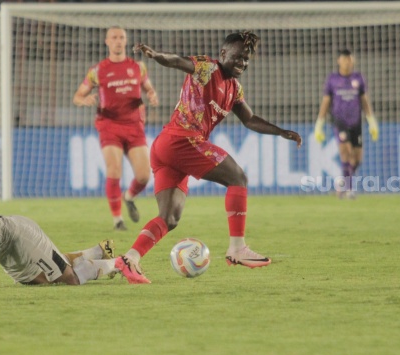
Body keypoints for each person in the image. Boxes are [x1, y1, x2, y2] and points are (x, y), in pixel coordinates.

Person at [114, 31, 303, 284]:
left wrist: (281, 132)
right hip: (182, 140)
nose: (242, 63)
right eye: (238, 57)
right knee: (238, 178)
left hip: (167, 148)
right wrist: (157, 55)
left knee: (169, 218)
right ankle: (237, 249)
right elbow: (178, 61)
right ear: (223, 53)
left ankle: (130, 258)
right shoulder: (207, 68)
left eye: (246, 59)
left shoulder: (234, 88)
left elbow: (249, 119)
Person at [73, 26, 159, 231]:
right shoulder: (97, 70)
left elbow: (148, 88)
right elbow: (77, 96)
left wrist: (152, 95)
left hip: (134, 126)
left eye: (121, 37)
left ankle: (128, 197)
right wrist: (84, 100)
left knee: (144, 176)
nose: (118, 41)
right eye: (114, 37)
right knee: (114, 169)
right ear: (107, 42)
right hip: (109, 125)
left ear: (126, 41)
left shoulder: (138, 67)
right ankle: (118, 220)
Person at [314, 49, 379, 199]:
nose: (347, 62)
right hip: (339, 121)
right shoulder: (332, 79)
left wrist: (371, 121)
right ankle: (349, 190)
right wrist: (319, 123)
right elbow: (326, 102)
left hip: (356, 122)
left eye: (349, 59)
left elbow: (364, 101)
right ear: (339, 61)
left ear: (353, 61)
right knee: (347, 153)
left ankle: (342, 184)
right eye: (344, 59)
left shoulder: (359, 78)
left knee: (357, 160)